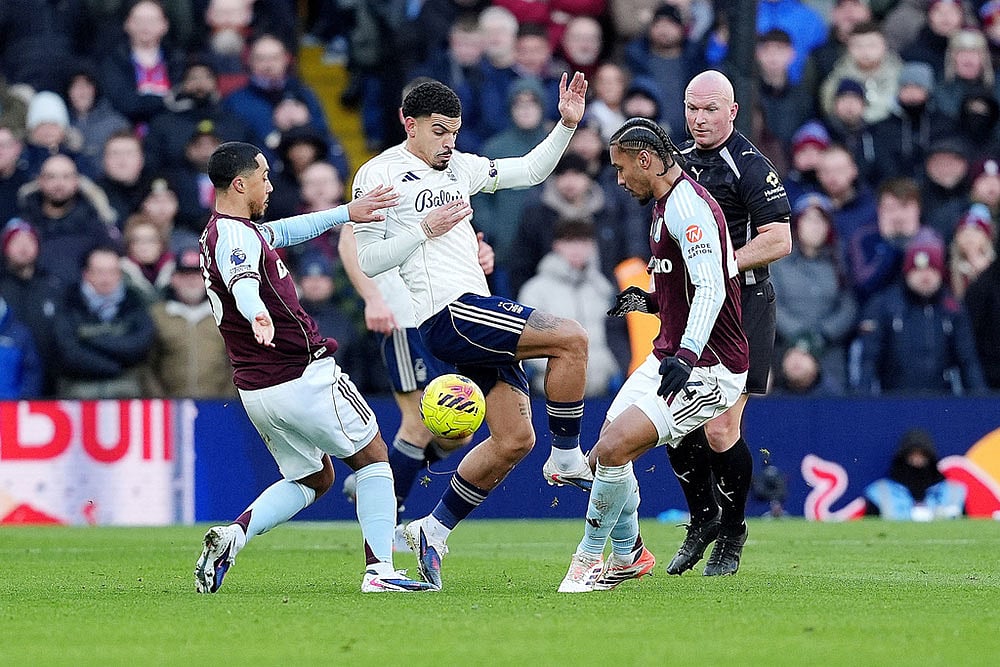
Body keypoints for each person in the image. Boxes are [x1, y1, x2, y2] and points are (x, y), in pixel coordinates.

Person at [352, 75, 593, 589]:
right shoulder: (379, 174)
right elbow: (369, 259)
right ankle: (570, 455)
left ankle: (431, 531)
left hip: (474, 308)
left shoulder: (458, 165)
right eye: (439, 132)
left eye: (455, 132)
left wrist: (567, 125)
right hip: (448, 314)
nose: (448, 143)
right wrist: (424, 230)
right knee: (571, 338)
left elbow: (527, 170)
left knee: (514, 439)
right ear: (407, 122)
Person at [192, 141, 435, 594]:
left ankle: (233, 536)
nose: (270, 184)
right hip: (300, 374)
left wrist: (347, 211)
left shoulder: (223, 232)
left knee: (314, 476)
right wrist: (256, 313)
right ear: (240, 183)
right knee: (374, 457)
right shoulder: (237, 238)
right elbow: (244, 282)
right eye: (263, 176)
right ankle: (380, 571)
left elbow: (287, 230)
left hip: (257, 389)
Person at [558, 116, 748, 592]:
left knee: (616, 448)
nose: (619, 181)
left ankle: (587, 560)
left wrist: (685, 355)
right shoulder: (664, 204)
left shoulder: (688, 207)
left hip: (709, 365)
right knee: (605, 452)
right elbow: (684, 286)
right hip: (671, 354)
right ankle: (628, 555)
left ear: (646, 160)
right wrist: (649, 301)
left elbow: (713, 289)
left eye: (623, 170)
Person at [666, 70, 791, 576]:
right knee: (674, 423)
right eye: (692, 108)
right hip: (693, 304)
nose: (699, 119)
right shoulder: (676, 164)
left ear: (733, 112)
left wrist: (721, 264)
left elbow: (779, 239)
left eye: (710, 109)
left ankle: (733, 532)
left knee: (720, 426)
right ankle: (702, 519)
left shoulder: (750, 166)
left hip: (745, 302)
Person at [854, 229, 986, 396]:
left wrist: (981, 401)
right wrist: (862, 401)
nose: (925, 276)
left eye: (931, 269)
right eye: (917, 269)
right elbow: (868, 361)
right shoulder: (884, 305)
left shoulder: (952, 308)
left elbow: (968, 361)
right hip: (893, 401)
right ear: (907, 272)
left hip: (942, 400)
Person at [52, 245, 155, 399]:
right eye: (99, 272)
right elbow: (69, 353)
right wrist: (114, 367)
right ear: (86, 274)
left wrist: (91, 339)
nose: (106, 279)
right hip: (79, 392)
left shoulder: (135, 301)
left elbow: (139, 345)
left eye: (112, 272)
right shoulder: (68, 302)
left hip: (127, 394)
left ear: (120, 274)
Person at [146, 242, 234, 398]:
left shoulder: (227, 315)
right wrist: (160, 400)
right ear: (173, 279)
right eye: (185, 275)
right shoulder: (157, 316)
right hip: (170, 409)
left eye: (197, 275)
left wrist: (226, 400)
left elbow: (237, 364)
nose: (192, 281)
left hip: (220, 409)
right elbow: (147, 365)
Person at [864, 428, 965, 520]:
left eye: (922, 455)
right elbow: (870, 529)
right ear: (902, 458)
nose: (917, 460)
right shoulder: (880, 492)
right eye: (912, 455)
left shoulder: (953, 491)